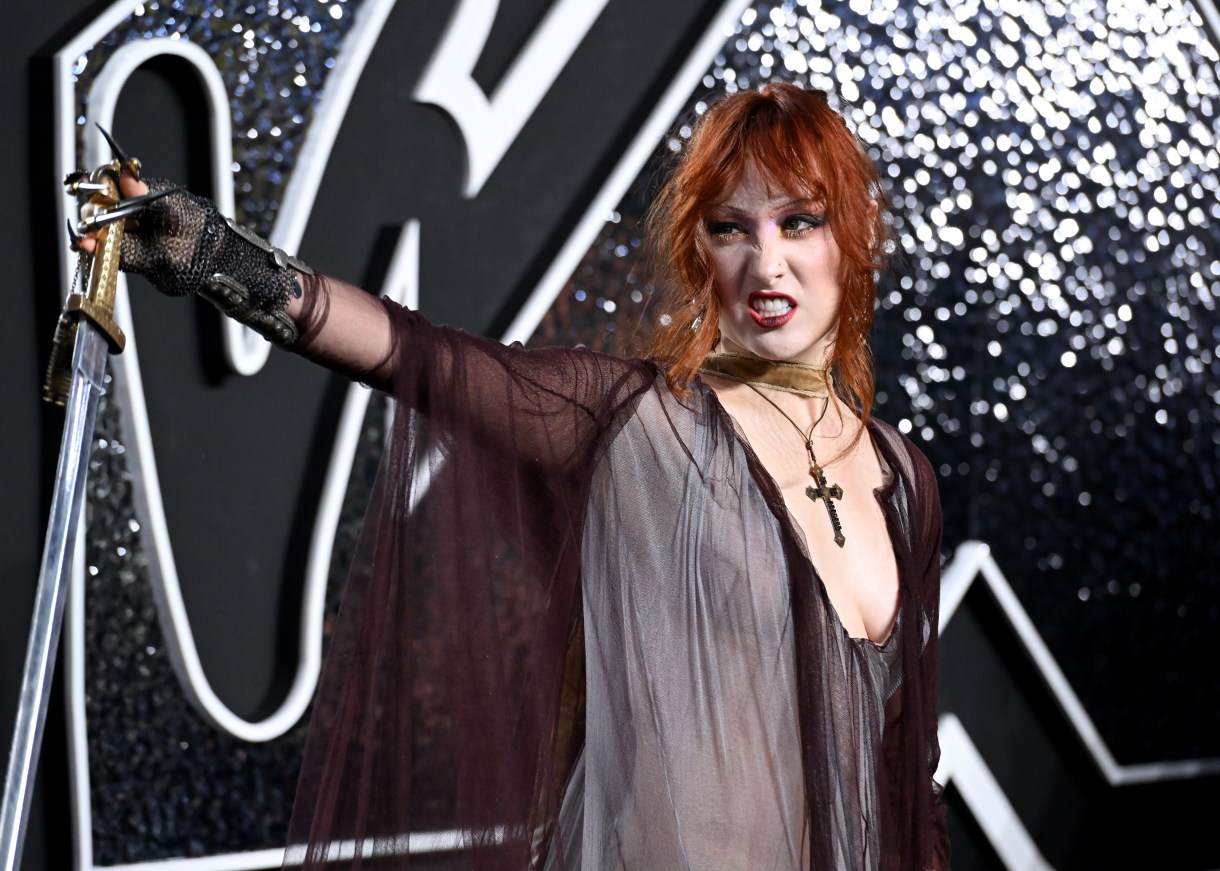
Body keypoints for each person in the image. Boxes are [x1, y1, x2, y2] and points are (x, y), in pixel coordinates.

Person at [77, 82, 948, 870]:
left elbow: (908, 783)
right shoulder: (636, 420)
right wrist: (223, 258)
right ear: (698, 252)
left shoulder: (903, 479)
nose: (767, 264)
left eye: (799, 221)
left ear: (855, 235)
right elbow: (414, 353)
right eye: (731, 227)